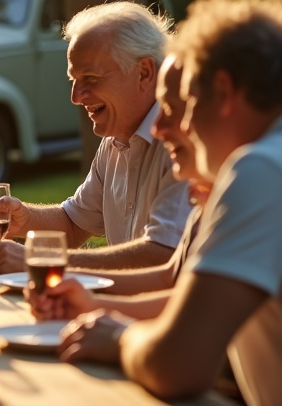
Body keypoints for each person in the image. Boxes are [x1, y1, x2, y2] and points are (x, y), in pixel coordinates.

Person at [56, 0, 282, 405]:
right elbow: (192, 297)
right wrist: (98, 305)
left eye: (188, 104)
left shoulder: (267, 168)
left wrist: (119, 337)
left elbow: (177, 366)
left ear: (225, 92)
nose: (173, 127)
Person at [0, 1, 191, 271]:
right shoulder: (116, 139)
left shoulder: (182, 140)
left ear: (144, 72)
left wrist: (40, 260)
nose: (75, 97)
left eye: (91, 78)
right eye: (73, 80)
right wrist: (23, 218)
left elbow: (164, 256)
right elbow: (73, 225)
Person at [30, 54, 211, 320]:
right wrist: (89, 305)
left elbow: (195, 329)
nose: (157, 128)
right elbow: (172, 281)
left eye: (171, 108)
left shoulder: (258, 176)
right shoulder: (218, 188)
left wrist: (116, 337)